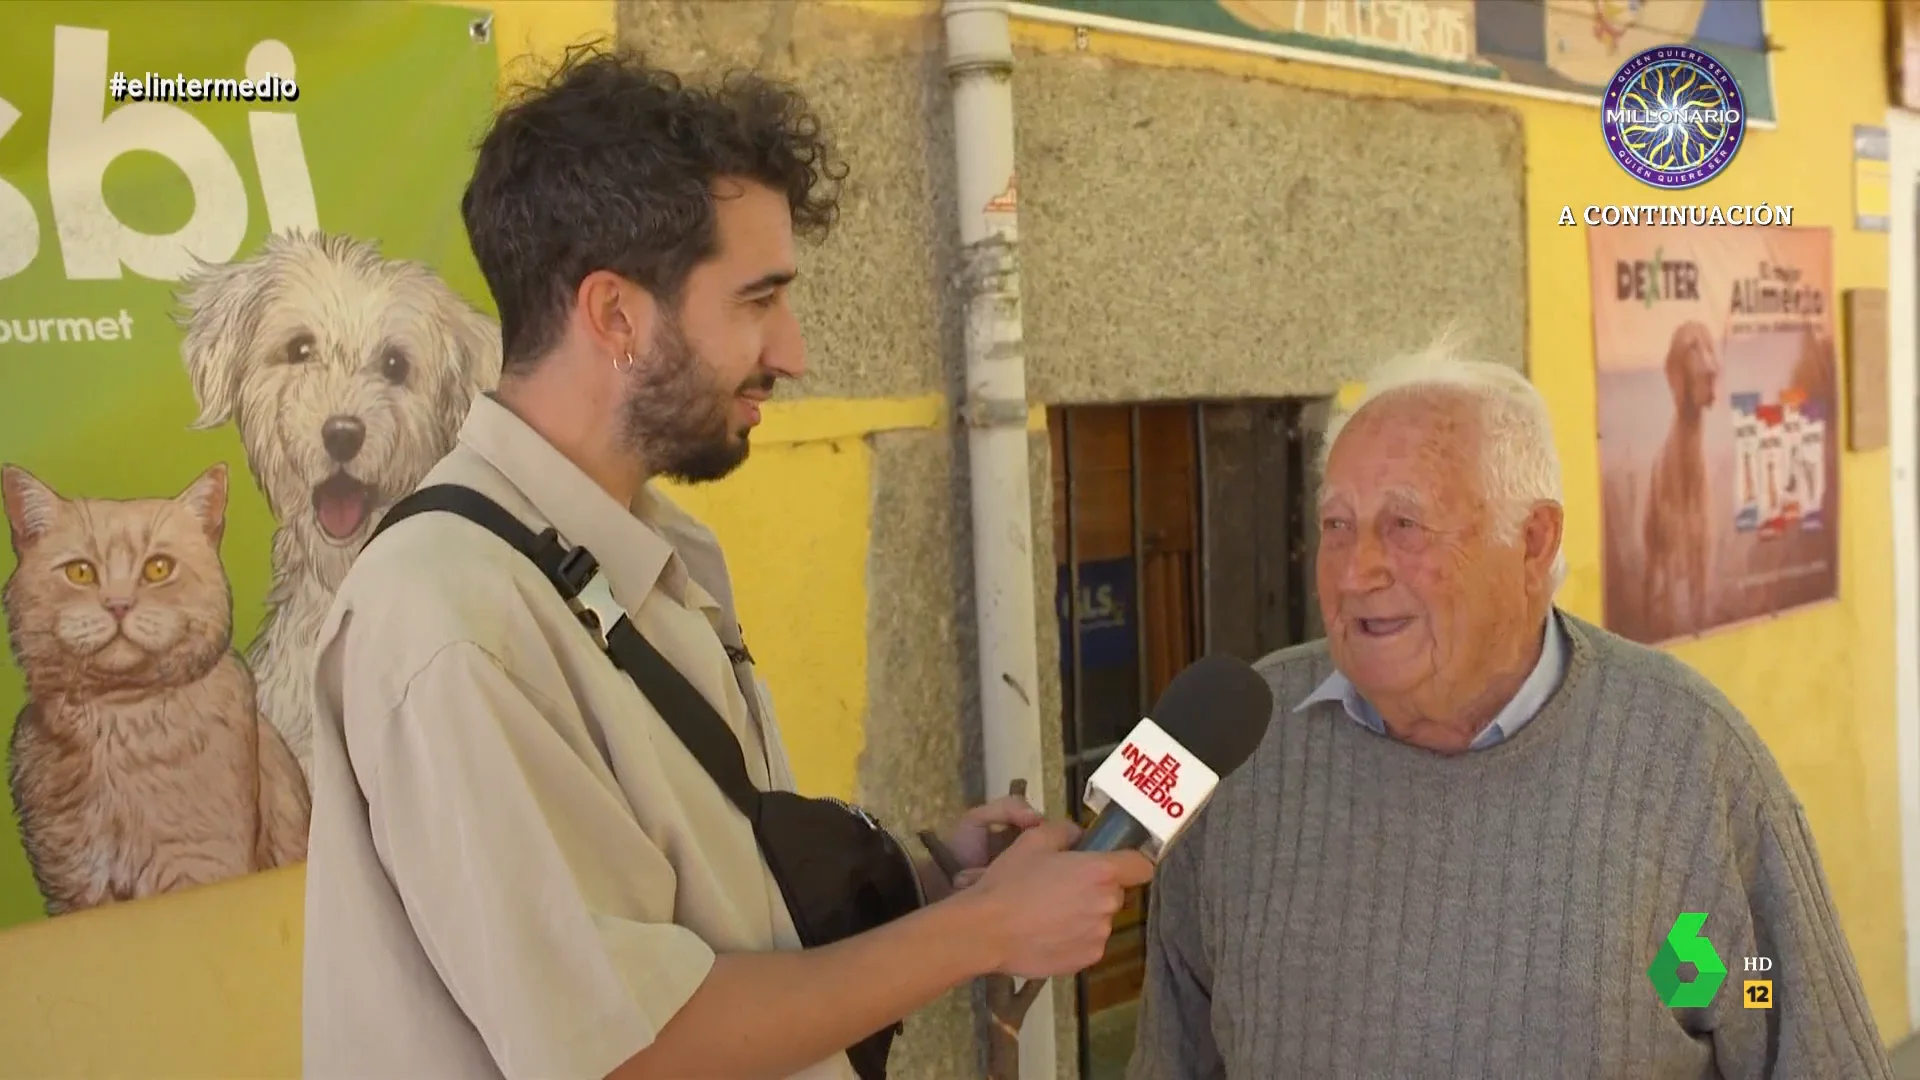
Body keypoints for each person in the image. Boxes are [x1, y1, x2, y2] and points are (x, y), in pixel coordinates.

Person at [301, 45, 1152, 1080]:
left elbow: (701, 907)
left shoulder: (656, 548)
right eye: (757, 301)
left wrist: (924, 879)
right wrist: (984, 936)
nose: (791, 352)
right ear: (616, 315)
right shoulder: (449, 623)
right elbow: (628, 1051)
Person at [1126, 341, 1891, 1079]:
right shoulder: (1241, 749)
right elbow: (1175, 1055)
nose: (1358, 570)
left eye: (1405, 523)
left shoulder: (1687, 761)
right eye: (1337, 525)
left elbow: (1787, 1023)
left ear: (1532, 540)